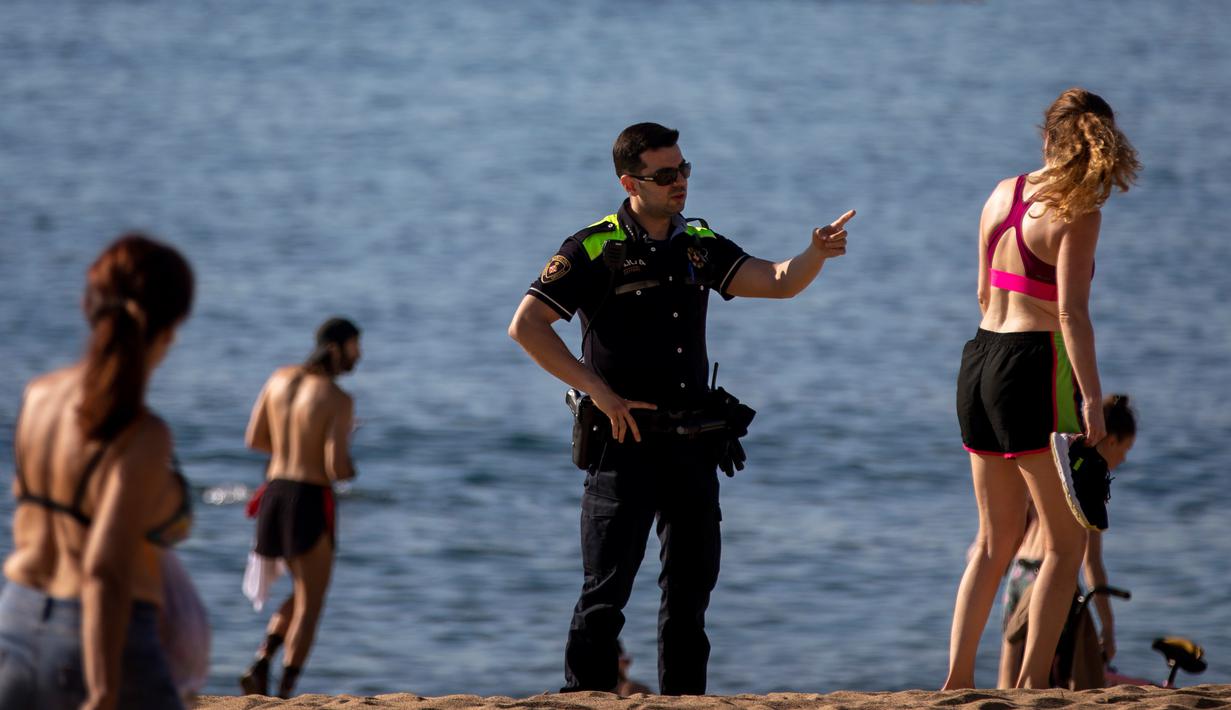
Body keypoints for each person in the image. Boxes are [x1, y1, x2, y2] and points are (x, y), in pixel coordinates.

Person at [508, 122, 855, 695]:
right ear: (630, 181)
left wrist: (814, 253)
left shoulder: (698, 241)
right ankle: (585, 702)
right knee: (605, 598)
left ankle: (685, 704)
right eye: (665, 175)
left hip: (694, 445)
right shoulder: (592, 246)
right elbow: (527, 325)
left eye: (684, 170)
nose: (680, 183)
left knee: (690, 600)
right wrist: (597, 389)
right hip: (623, 445)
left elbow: (776, 281)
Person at [946, 87, 1139, 689]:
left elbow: (982, 292)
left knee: (992, 539)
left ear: (1047, 136)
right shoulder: (1080, 211)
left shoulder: (1002, 192)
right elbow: (1072, 315)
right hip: (1033, 364)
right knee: (1066, 542)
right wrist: (1089, 398)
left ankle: (954, 682)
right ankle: (1030, 687)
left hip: (978, 360)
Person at [0, 234, 195, 710]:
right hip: (100, 641)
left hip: (15, 620)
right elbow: (104, 568)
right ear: (168, 329)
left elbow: (25, 503)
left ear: (91, 307)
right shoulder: (143, 435)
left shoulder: (38, 395)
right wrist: (103, 688)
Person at [239, 318, 361, 698]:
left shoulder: (278, 378)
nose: (359, 357)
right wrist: (350, 457)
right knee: (312, 601)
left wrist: (293, 447)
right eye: (356, 347)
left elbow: (255, 439)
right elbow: (336, 469)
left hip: (273, 494)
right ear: (338, 347)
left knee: (302, 589)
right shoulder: (338, 399)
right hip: (308, 499)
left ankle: (262, 661)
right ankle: (284, 691)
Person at [998, 395, 1137, 688]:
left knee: (1009, 676)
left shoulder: (1058, 467)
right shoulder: (1089, 483)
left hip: (1018, 574)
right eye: (1125, 450)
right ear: (1111, 441)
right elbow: (1092, 563)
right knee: (1053, 673)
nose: (1123, 460)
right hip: (1049, 578)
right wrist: (1108, 627)